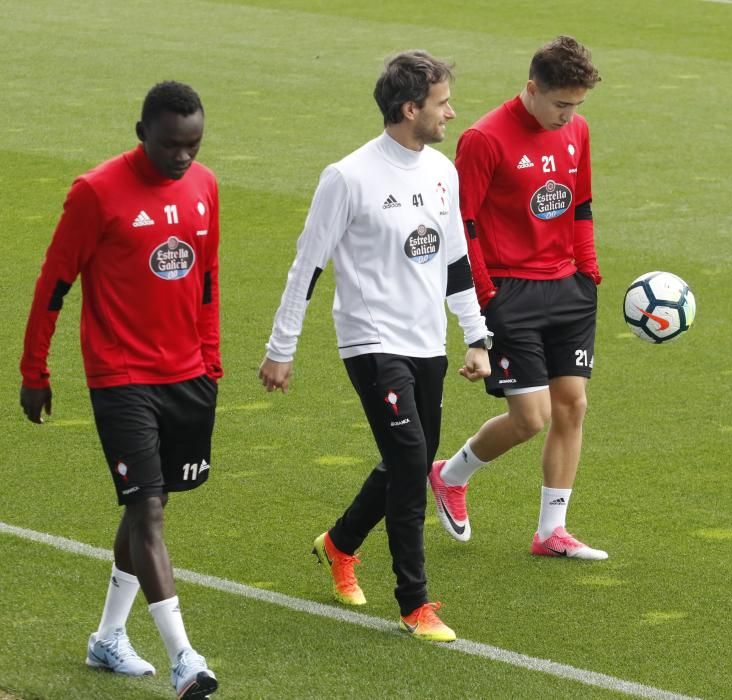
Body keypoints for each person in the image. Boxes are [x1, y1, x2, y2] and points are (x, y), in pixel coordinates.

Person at [259, 50, 492, 642]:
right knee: (415, 464)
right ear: (410, 107)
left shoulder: (443, 171)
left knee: (405, 459)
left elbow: (456, 260)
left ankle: (338, 544)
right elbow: (306, 267)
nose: (452, 113)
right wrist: (280, 348)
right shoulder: (348, 177)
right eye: (442, 103)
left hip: (426, 340)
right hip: (370, 341)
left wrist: (476, 335)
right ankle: (415, 603)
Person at [19, 81, 220, 698]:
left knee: (148, 505)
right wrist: (35, 370)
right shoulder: (96, 192)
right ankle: (185, 658)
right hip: (121, 375)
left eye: (192, 144)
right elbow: (54, 283)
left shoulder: (206, 186)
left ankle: (108, 639)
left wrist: (210, 360)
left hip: (187, 373)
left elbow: (207, 278)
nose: (182, 157)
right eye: (170, 145)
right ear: (141, 133)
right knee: (148, 509)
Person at [429, 36, 608, 560]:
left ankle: (552, 531)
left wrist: (588, 272)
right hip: (510, 289)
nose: (568, 116)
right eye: (561, 105)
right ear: (532, 89)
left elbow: (580, 206)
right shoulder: (484, 139)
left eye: (576, 106)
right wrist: (485, 295)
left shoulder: (577, 130)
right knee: (531, 418)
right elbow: (461, 226)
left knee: (572, 406)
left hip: (568, 288)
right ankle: (449, 474)